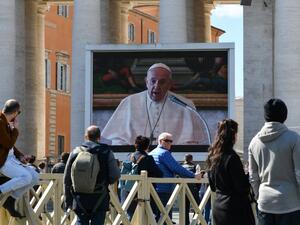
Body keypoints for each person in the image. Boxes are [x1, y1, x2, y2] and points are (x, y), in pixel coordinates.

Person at [102, 63, 210, 145]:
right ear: (146, 82)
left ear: (170, 84)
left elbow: (191, 143)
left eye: (162, 82)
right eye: (153, 81)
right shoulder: (129, 103)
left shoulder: (185, 105)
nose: (157, 86)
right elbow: (118, 140)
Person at [249, 98, 300, 225]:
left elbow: (253, 177)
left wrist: (259, 197)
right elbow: (299, 174)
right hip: (290, 204)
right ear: (285, 115)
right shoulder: (294, 139)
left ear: (265, 116)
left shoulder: (254, 142)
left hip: (265, 203)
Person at [64, 125, 120, 225]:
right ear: (99, 137)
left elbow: (67, 178)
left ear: (86, 136)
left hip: (79, 198)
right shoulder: (106, 152)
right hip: (100, 196)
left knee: (80, 221)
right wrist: (106, 182)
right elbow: (114, 175)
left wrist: (68, 200)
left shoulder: (75, 152)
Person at [206, 119, 255, 225]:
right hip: (235, 209)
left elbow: (212, 186)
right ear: (233, 135)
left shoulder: (212, 155)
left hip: (218, 206)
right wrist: (248, 174)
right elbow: (242, 187)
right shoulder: (232, 157)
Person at [149, 132, 202, 222]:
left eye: (171, 141)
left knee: (155, 218)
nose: (170, 143)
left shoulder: (151, 153)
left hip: (152, 189)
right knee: (166, 218)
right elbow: (177, 168)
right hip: (164, 190)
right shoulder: (164, 153)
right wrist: (193, 175)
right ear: (160, 141)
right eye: (167, 141)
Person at [0, 99, 40, 218]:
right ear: (15, 113)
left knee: (34, 176)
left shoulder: (5, 123)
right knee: (26, 176)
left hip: (10, 159)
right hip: (3, 162)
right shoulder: (0, 122)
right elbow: (8, 143)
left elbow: (9, 146)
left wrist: (21, 156)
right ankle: (1, 190)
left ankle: (11, 200)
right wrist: (15, 130)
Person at [125, 135, 163, 220]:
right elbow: (159, 173)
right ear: (147, 146)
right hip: (146, 192)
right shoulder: (148, 158)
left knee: (131, 217)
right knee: (149, 217)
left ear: (135, 144)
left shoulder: (129, 156)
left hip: (129, 190)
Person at [181, 154, 201, 225]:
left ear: (184, 159)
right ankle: (194, 222)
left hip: (183, 189)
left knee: (185, 208)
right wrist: (197, 189)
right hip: (193, 189)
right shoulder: (195, 166)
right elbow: (199, 179)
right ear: (191, 159)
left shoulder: (181, 166)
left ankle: (185, 223)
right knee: (198, 207)